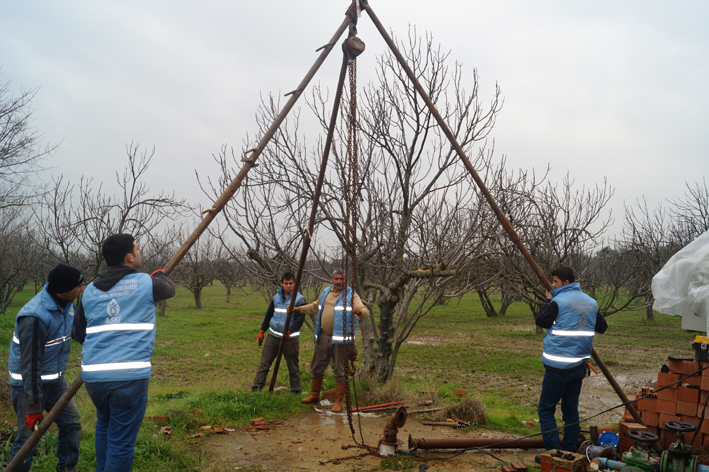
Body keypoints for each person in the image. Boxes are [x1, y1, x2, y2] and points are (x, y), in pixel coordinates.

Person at [76, 233, 175, 472]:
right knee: (121, 442)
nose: (140, 252)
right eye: (137, 249)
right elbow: (169, 289)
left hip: (94, 378)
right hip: (128, 379)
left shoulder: (89, 290)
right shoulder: (145, 283)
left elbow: (78, 333)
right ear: (129, 257)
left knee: (105, 426)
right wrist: (159, 274)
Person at [7, 263, 84, 472]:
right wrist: (34, 406)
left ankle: (67, 468)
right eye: (79, 286)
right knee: (28, 436)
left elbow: (78, 332)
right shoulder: (35, 316)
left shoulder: (66, 305)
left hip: (54, 380)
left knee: (71, 422)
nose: (82, 289)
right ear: (64, 289)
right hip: (27, 385)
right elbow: (30, 364)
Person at [535, 266, 608, 453]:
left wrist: (547, 300)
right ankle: (569, 451)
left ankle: (553, 452)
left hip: (557, 368)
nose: (551, 285)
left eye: (555, 282)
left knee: (545, 409)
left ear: (565, 283)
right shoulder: (591, 302)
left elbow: (541, 321)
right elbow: (602, 327)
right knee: (570, 411)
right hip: (578, 368)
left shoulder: (558, 301)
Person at [292, 269, 368, 412]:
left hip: (340, 340)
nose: (339, 282)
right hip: (323, 336)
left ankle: (338, 402)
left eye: (342, 279)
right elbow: (315, 307)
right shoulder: (326, 292)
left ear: (346, 280)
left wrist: (359, 311)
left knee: (340, 369)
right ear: (332, 279)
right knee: (317, 366)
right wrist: (298, 309)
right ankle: (314, 395)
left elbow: (364, 312)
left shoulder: (352, 295)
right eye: (337, 278)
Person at [251, 272, 307, 393]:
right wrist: (262, 331)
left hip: (290, 339)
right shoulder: (276, 297)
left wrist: (289, 331)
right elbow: (269, 314)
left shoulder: (300, 300)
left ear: (295, 283)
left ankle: (296, 391)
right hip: (273, 336)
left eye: (291, 283)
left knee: (293, 367)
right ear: (281, 283)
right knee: (264, 364)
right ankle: (257, 388)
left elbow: (299, 321)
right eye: (286, 283)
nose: (288, 286)